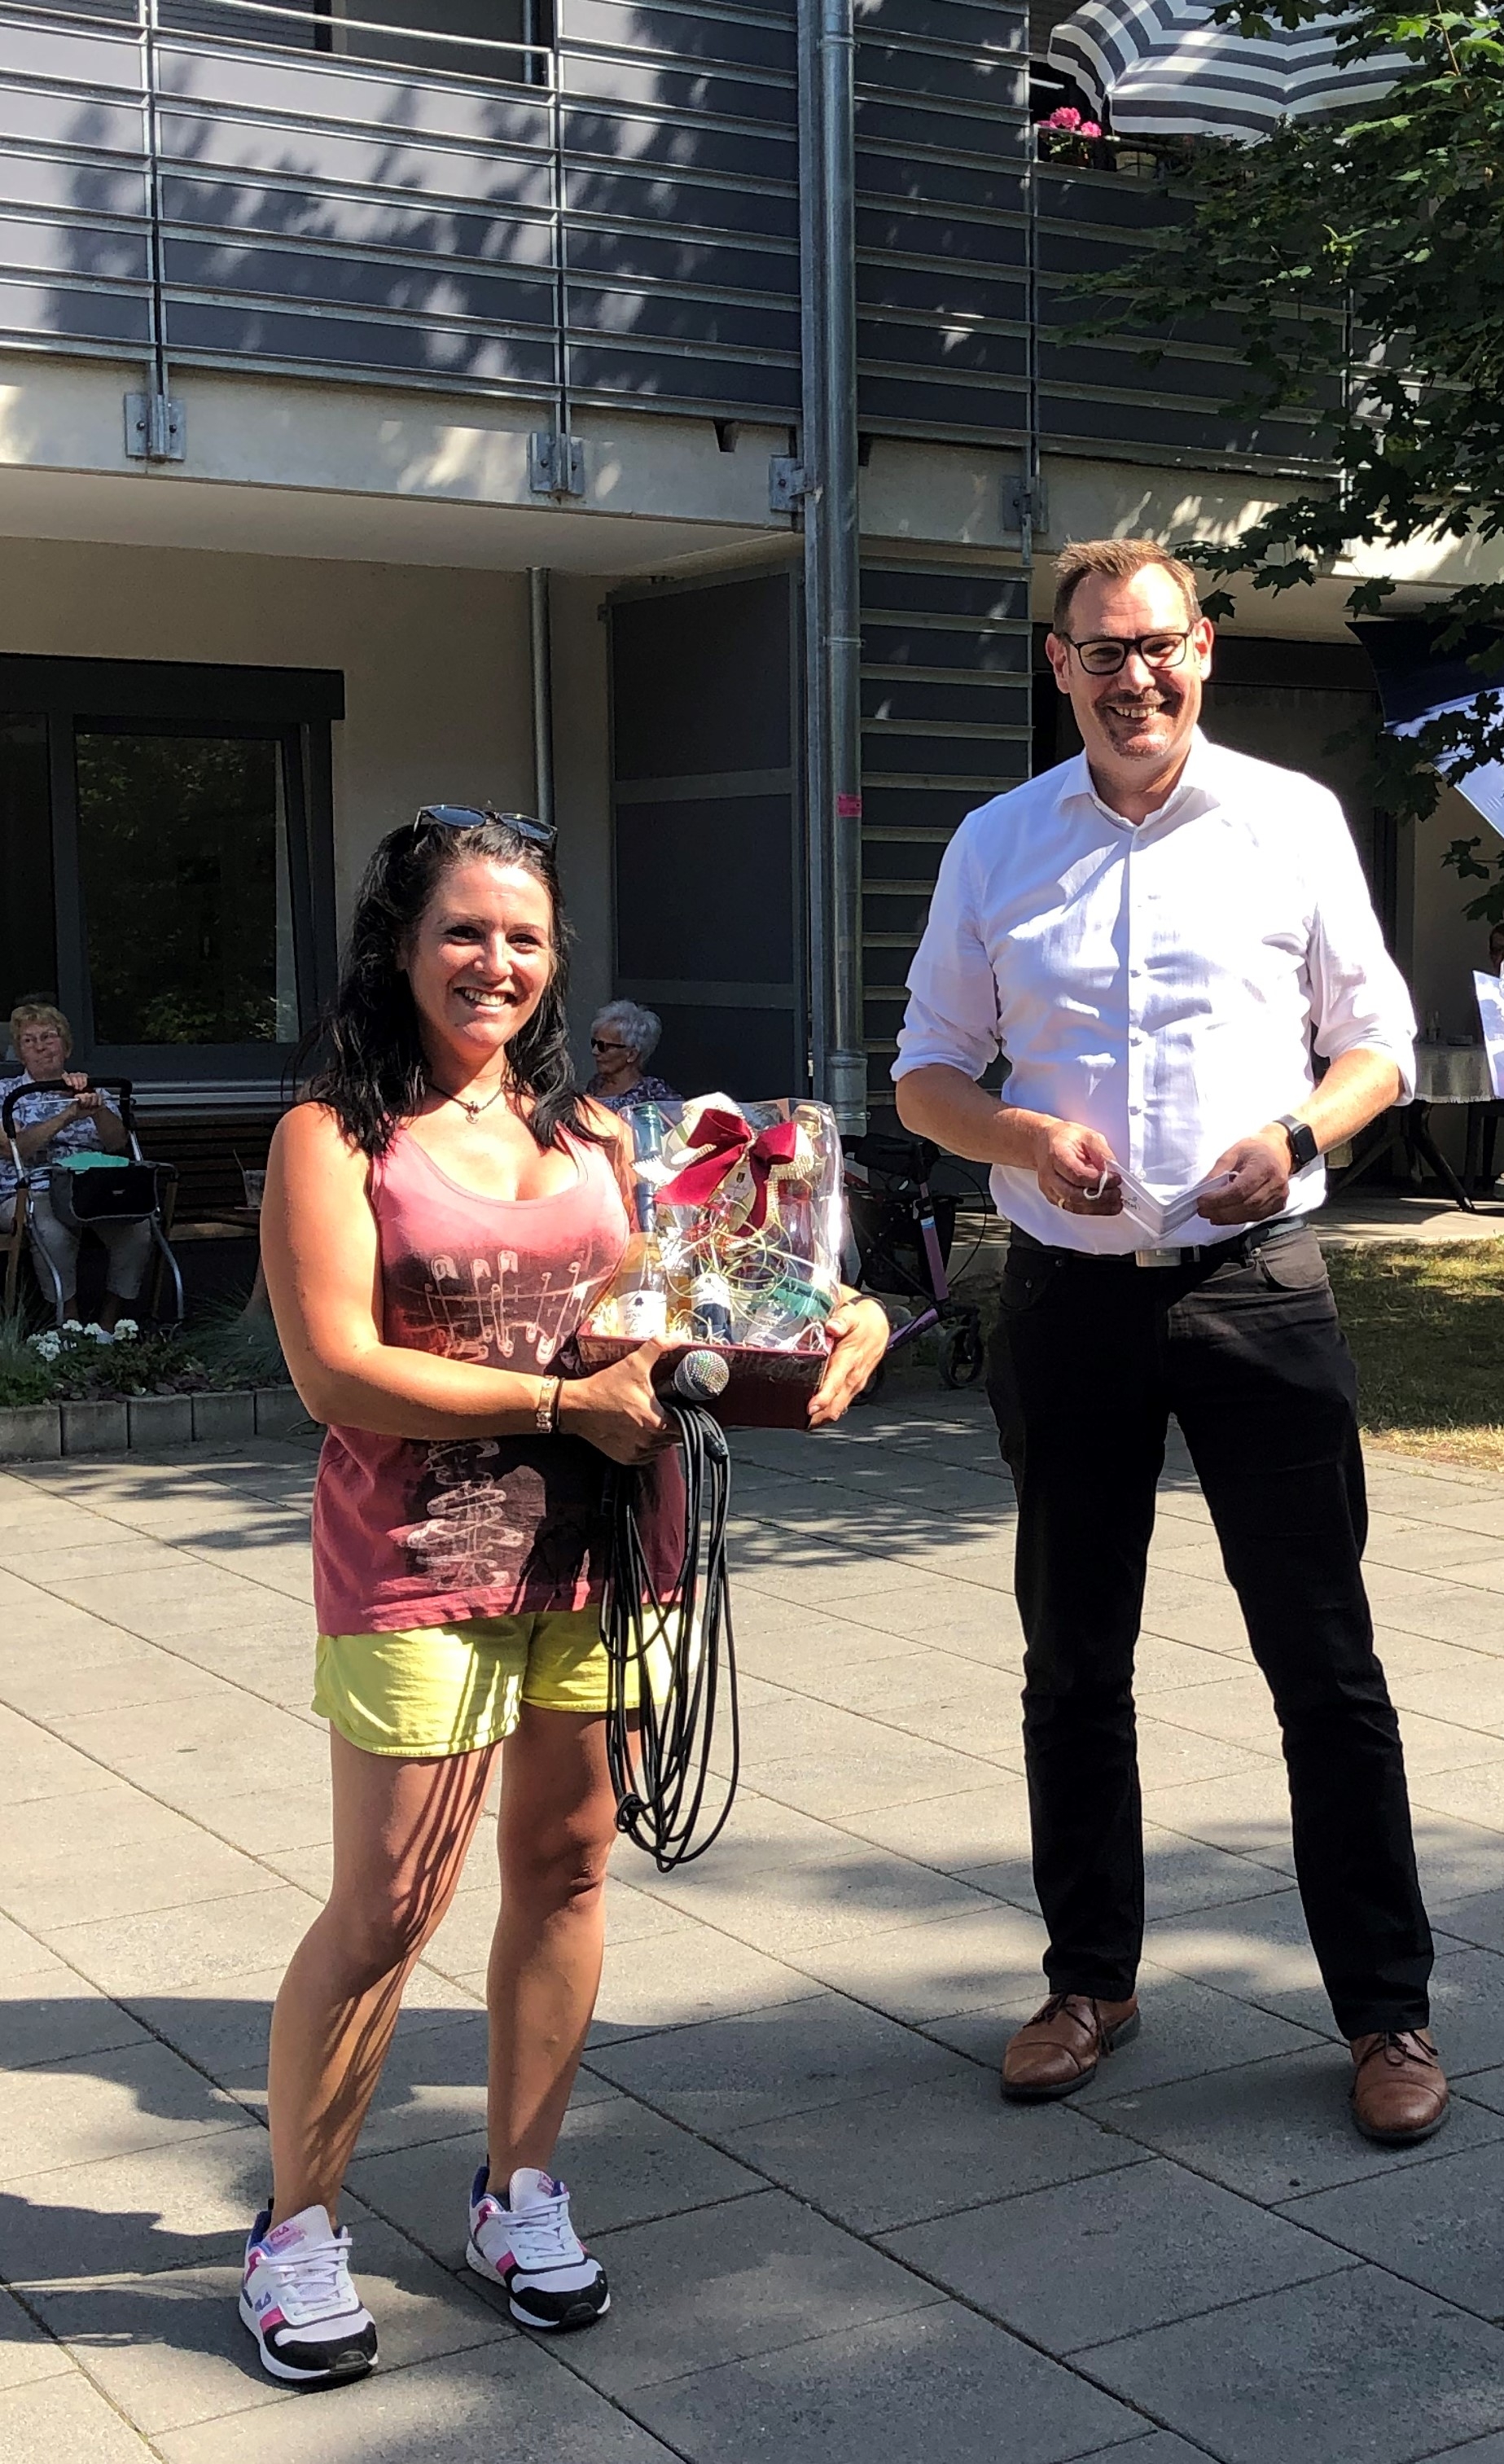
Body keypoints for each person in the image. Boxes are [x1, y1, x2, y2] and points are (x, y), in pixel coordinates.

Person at [248, 806, 886, 2387]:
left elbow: (690, 1322)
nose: (496, 962)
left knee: (564, 1865)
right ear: (399, 942)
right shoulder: (329, 1138)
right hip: (420, 1564)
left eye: (524, 936)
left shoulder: (594, 1138)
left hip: (605, 1551)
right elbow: (336, 1368)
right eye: (464, 929)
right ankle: (294, 2229)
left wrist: (822, 1339)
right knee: (389, 1902)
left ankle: (518, 2185)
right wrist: (551, 1409)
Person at [894, 537, 1448, 2144]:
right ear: (1056, 667)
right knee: (1072, 1658)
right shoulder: (999, 843)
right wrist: (1008, 1135)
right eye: (1098, 651)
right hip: (1066, 1293)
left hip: (1252, 1281)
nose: (1132, 675)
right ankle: (1089, 1980)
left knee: (1322, 1666)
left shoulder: (1287, 818)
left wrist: (1296, 1130)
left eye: (1157, 645)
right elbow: (924, 1070)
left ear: (1200, 648)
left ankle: (1386, 2013)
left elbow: (1374, 1046)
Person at [1, 1001, 156, 1326]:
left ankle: (110, 1323)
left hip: (91, 1187)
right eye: (30, 1041)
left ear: (66, 1046)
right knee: (51, 1230)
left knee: (137, 1230)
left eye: (49, 1037)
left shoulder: (91, 1089)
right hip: (32, 1190)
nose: (41, 1046)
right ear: (20, 1052)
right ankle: (69, 1325)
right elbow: (13, 1148)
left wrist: (96, 1109)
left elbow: (117, 1144)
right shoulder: (4, 1093)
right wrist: (68, 1114)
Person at [586, 999, 679, 1116]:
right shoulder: (596, 1084)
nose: (594, 1051)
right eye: (594, 1043)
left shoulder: (652, 1092)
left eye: (603, 1046)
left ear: (631, 1055)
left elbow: (685, 1124)